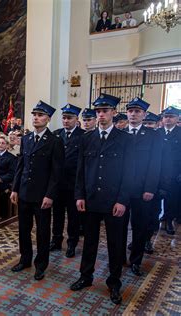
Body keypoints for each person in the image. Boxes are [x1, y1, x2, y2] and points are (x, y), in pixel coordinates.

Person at [71, 93, 133, 305]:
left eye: (105, 111)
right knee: (89, 241)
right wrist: (79, 195)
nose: (101, 115)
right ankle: (85, 276)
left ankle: (114, 282)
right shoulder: (86, 138)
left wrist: (122, 200)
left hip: (114, 201)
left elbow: (129, 173)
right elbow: (81, 170)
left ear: (114, 113)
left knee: (116, 244)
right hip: (91, 200)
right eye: (98, 111)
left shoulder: (125, 139)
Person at [10, 101, 64, 281]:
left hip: (42, 196)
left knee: (42, 232)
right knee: (24, 230)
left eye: (40, 115)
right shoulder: (26, 139)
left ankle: (41, 265)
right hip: (25, 192)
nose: (36, 118)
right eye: (34, 114)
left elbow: (57, 172)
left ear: (48, 119)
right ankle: (25, 259)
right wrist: (15, 189)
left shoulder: (55, 141)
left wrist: (50, 195)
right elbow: (21, 165)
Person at [123, 97, 162, 276]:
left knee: (139, 227)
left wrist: (150, 188)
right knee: (119, 226)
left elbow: (156, 164)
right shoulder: (120, 134)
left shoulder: (153, 136)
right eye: (130, 111)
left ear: (144, 114)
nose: (133, 114)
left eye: (137, 111)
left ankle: (136, 260)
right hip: (121, 190)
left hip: (142, 190)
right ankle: (118, 257)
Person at [50, 104, 85, 258]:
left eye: (69, 118)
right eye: (63, 117)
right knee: (57, 215)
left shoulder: (83, 136)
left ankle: (72, 243)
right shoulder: (57, 134)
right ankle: (56, 240)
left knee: (73, 217)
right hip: (58, 183)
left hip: (73, 184)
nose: (66, 121)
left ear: (76, 119)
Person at [159, 106, 181, 235]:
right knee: (157, 197)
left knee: (172, 197)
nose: (168, 119)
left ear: (177, 118)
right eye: (166, 116)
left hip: (175, 171)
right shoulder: (157, 132)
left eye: (171, 117)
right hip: (158, 171)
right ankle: (156, 220)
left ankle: (168, 219)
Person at [0, 135, 17, 219]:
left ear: (7, 145)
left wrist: (0, 179)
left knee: (1, 191)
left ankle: (2, 215)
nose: (0, 145)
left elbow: (12, 174)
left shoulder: (11, 158)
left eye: (3, 143)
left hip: (4, 183)